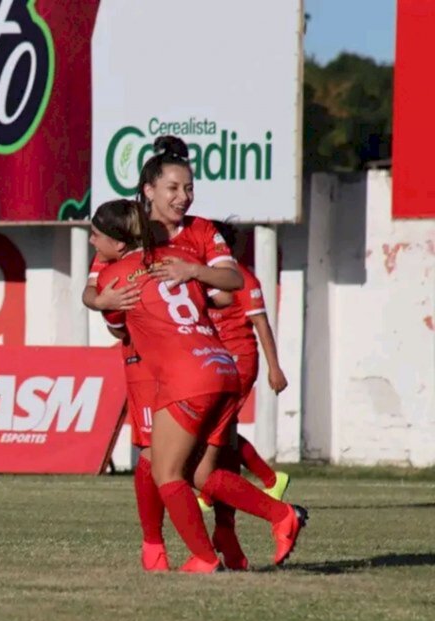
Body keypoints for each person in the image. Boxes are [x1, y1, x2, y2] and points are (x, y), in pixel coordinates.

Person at [90, 199, 307, 573]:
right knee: (201, 474)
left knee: (165, 471)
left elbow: (117, 327)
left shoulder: (115, 277)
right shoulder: (176, 260)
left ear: (118, 242)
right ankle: (280, 514)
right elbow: (222, 295)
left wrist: (104, 302)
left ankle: (205, 558)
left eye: (96, 236)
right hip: (222, 367)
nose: (93, 243)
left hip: (186, 376)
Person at [83, 135, 244, 571]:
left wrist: (195, 271)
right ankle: (155, 545)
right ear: (149, 189)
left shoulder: (201, 230)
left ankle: (226, 536)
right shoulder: (133, 230)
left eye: (189, 188)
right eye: (174, 188)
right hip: (146, 361)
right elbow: (95, 287)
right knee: (154, 457)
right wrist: (101, 303)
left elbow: (233, 287)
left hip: (196, 357)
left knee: (207, 464)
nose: (183, 197)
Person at [200, 221, 291, 510]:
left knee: (214, 427)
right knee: (222, 431)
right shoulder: (202, 279)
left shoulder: (243, 279)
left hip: (239, 361)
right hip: (215, 363)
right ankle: (261, 481)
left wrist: (274, 367)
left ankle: (211, 489)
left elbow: (261, 324)